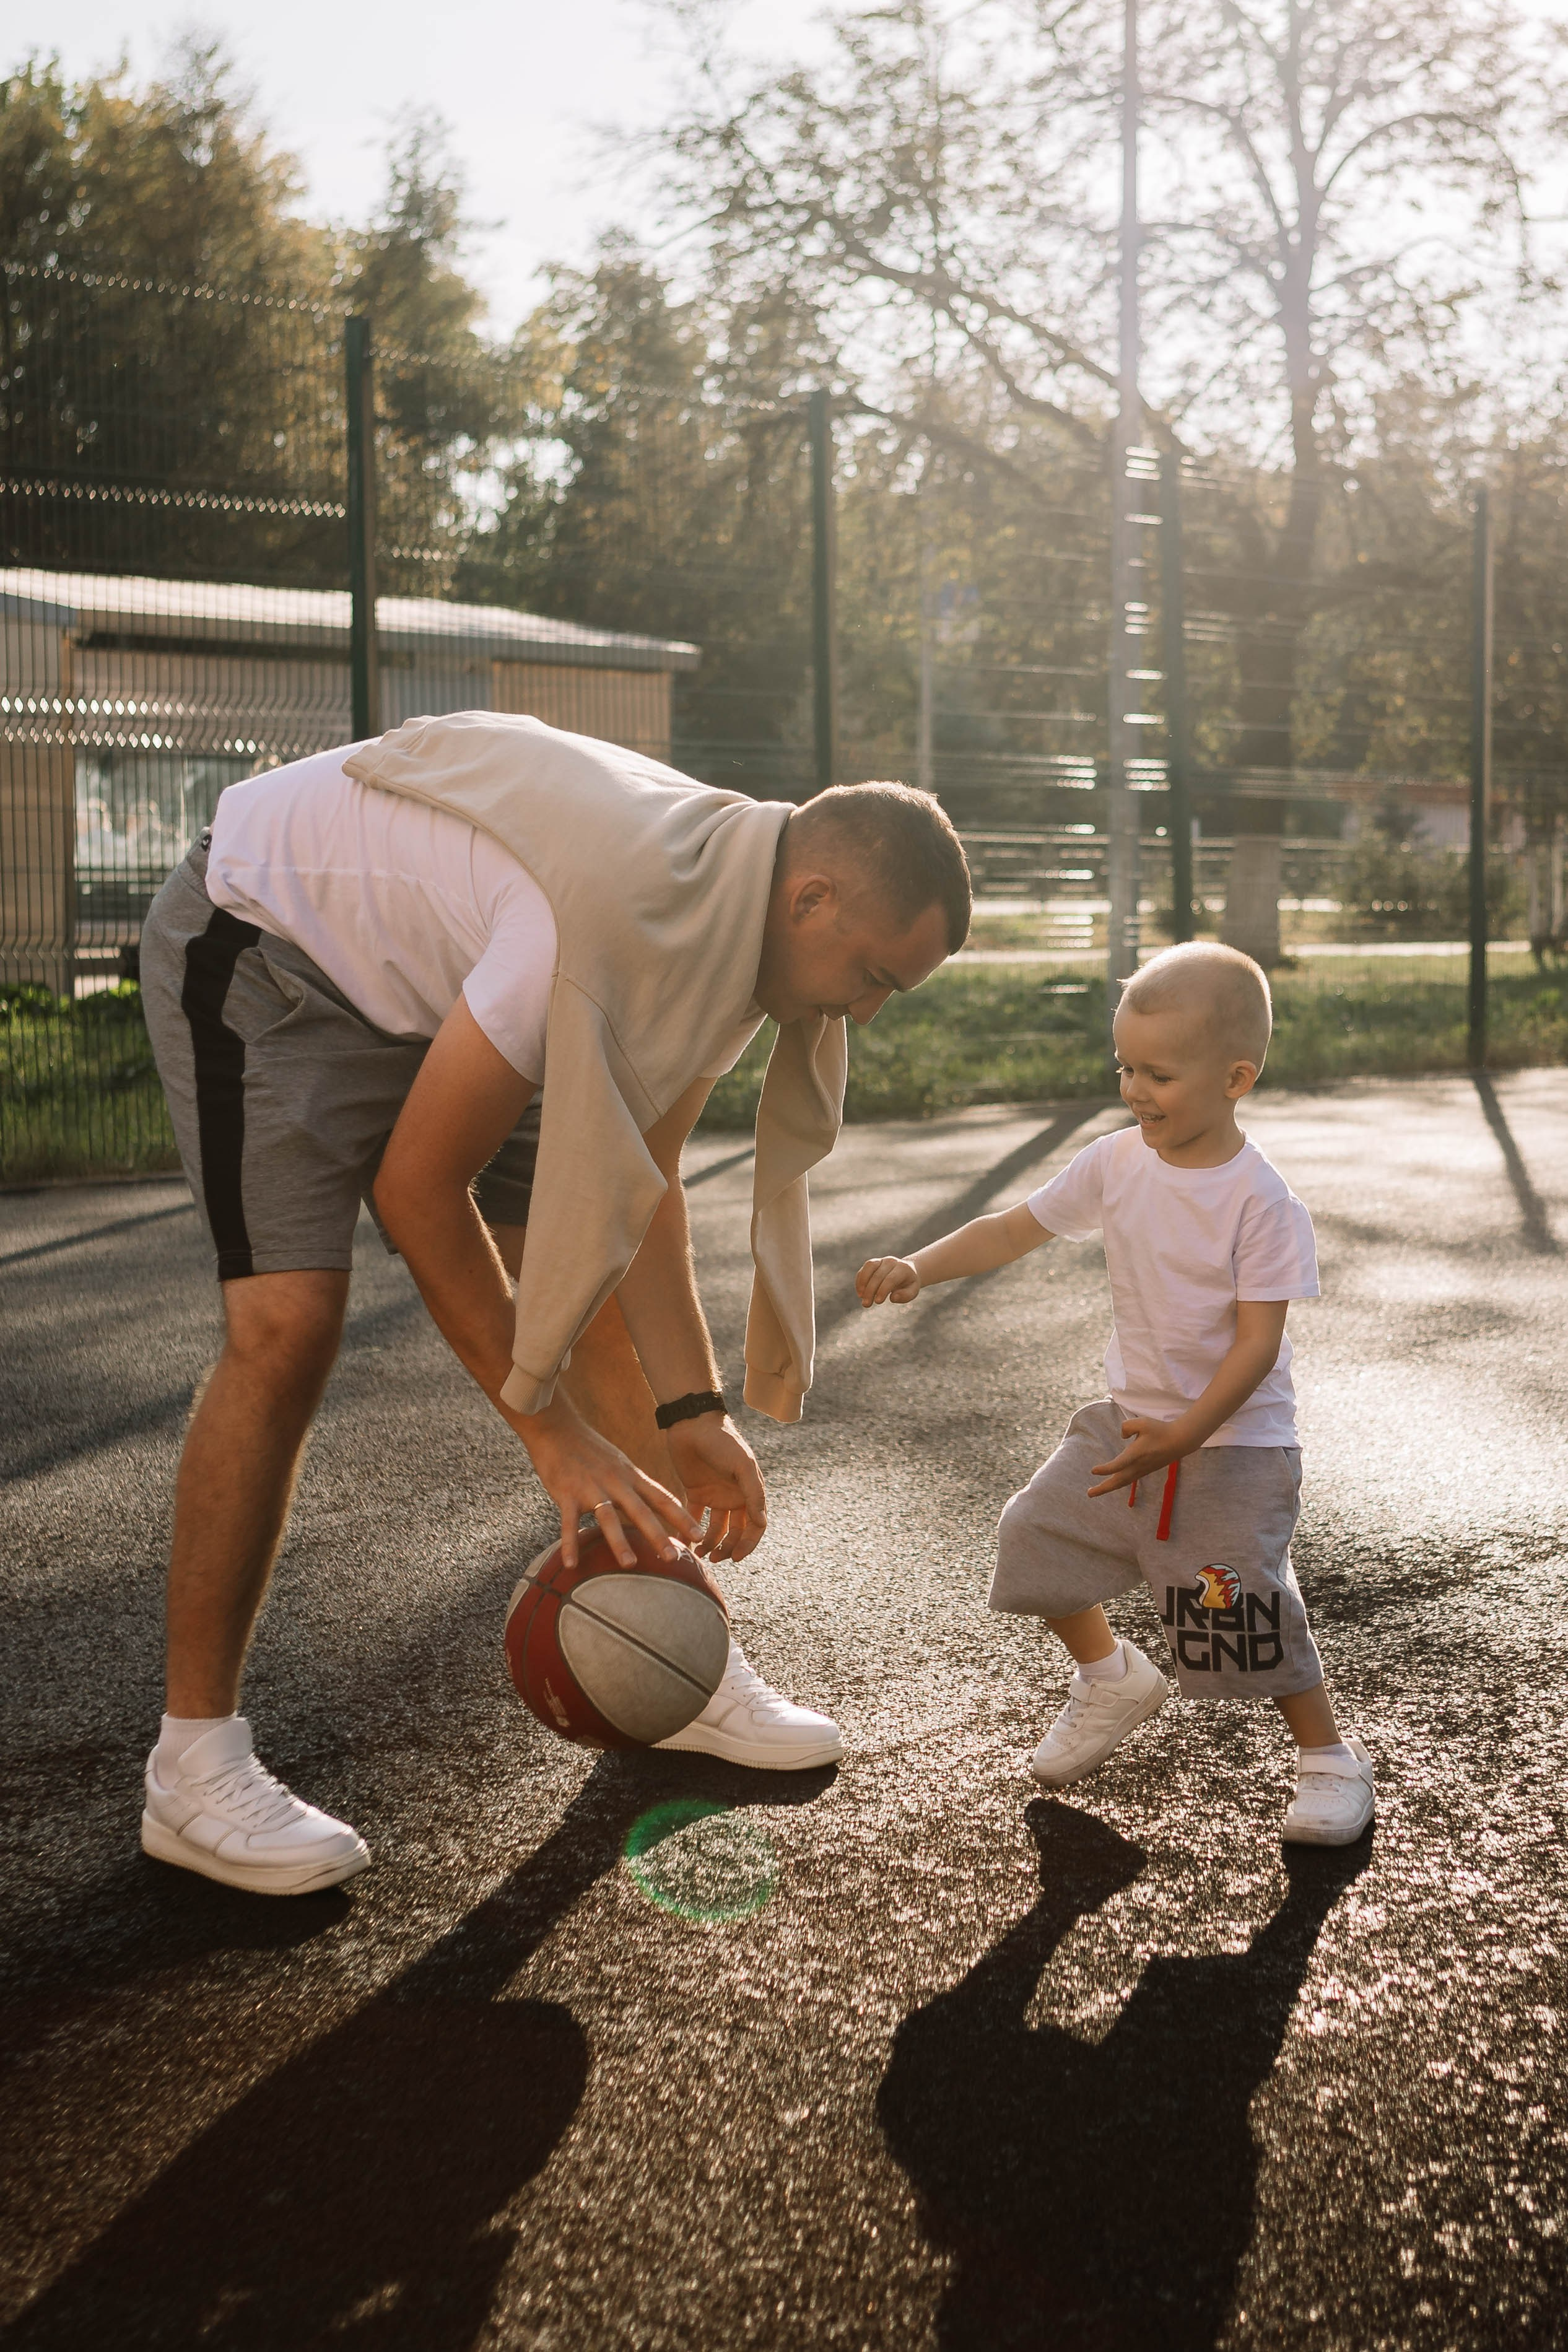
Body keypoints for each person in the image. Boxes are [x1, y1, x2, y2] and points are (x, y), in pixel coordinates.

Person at [136, 713, 971, 1894]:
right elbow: (417, 1189)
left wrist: (695, 1411)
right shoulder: (604, 926)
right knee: (288, 1327)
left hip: (468, 967)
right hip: (274, 945)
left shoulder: (741, 937)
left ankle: (676, 1652)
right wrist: (553, 1437)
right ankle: (192, 1765)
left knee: (582, 1270)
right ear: (814, 899)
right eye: (877, 975)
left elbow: (645, 1187)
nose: (869, 1011)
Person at [856, 939, 1374, 1847]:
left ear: (1236, 1077)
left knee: (1239, 1610)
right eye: (1125, 1065)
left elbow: (1258, 1348)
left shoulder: (1262, 1202)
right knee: (1034, 1533)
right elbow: (1013, 1227)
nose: (1135, 1088)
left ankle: (1330, 1761)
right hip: (1128, 1422)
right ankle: (1111, 1676)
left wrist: (1185, 1434)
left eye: (1160, 1073)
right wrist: (920, 1266)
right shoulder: (1116, 1161)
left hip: (1233, 1441)